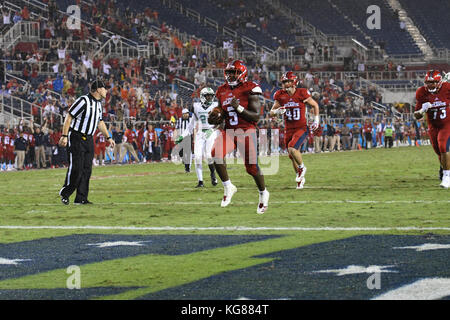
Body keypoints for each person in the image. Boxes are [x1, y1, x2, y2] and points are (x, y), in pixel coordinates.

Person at [208, 60, 269, 214]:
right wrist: (216, 117)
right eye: (229, 72)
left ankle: (263, 193)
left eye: (234, 72)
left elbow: (256, 117)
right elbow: (222, 113)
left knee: (252, 168)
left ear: (242, 73)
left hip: (246, 130)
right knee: (215, 154)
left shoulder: (250, 88)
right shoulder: (221, 90)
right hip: (228, 131)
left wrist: (239, 108)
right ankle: (228, 187)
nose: (231, 75)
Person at [58, 79, 116, 205]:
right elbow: (69, 116)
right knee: (76, 168)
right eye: (104, 88)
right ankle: (65, 192)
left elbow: (100, 122)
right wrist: (64, 135)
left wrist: (108, 137)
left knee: (87, 169)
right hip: (77, 137)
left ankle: (81, 198)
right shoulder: (83, 100)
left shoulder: (99, 104)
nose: (106, 91)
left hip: (89, 138)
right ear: (98, 89)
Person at [270, 71, 320, 189]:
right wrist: (277, 111)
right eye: (284, 82)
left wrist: (316, 120)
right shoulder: (280, 95)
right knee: (292, 156)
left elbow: (315, 105)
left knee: (292, 148)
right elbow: (271, 112)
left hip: (301, 127)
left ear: (294, 82)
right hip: (288, 129)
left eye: (288, 81)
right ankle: (300, 180)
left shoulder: (301, 93)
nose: (286, 84)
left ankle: (302, 167)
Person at [414, 70, 450, 188]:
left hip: (446, 123)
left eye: (433, 82)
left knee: (443, 145)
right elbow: (416, 115)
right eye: (428, 82)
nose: (431, 85)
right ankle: (445, 170)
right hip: (433, 126)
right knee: (439, 152)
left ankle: (447, 177)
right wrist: (421, 110)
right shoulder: (421, 92)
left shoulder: (447, 88)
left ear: (439, 82)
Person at [177, 88, 218, 187]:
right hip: (200, 133)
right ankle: (200, 182)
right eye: (207, 96)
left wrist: (213, 129)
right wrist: (182, 136)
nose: (210, 98)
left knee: (208, 155)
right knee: (198, 157)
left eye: (211, 96)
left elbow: (220, 122)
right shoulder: (196, 107)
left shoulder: (215, 106)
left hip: (211, 131)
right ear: (202, 97)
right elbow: (191, 126)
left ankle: (213, 173)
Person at [175, 108, 193, 174]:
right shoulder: (179, 120)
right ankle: (185, 161)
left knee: (188, 153)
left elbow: (193, 129)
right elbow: (177, 129)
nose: (186, 115)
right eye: (185, 114)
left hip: (188, 137)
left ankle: (187, 168)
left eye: (187, 113)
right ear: (182, 114)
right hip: (181, 138)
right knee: (180, 152)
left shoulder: (191, 120)